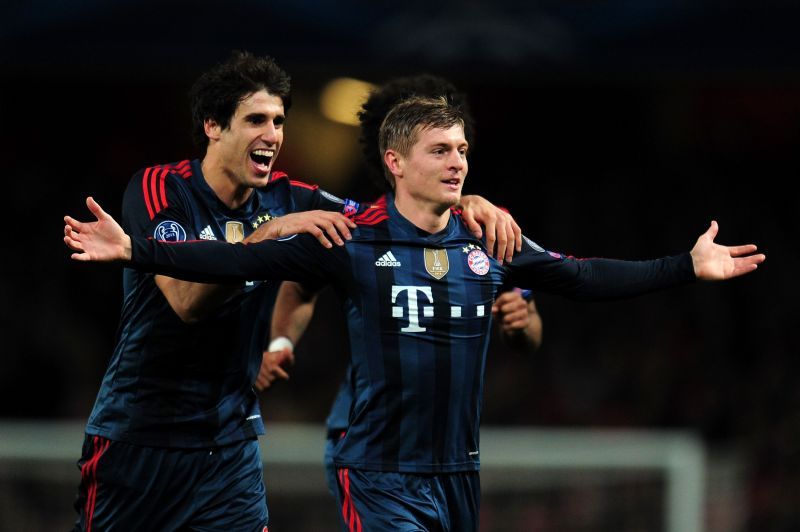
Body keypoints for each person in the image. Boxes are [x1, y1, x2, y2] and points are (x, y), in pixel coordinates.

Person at [64, 95, 764, 531]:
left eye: (462, 149)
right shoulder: (352, 239)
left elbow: (579, 277)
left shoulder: (489, 240)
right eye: (440, 150)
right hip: (378, 472)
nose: (458, 162)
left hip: (457, 472)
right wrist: (138, 250)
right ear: (396, 162)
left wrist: (684, 266)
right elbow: (237, 262)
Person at [257, 75, 543, 517]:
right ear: (393, 153)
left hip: (448, 460)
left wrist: (523, 323)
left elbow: (530, 330)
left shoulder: (486, 229)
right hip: (369, 445)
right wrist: (281, 342)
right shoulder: (357, 232)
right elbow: (299, 286)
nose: (450, 153)